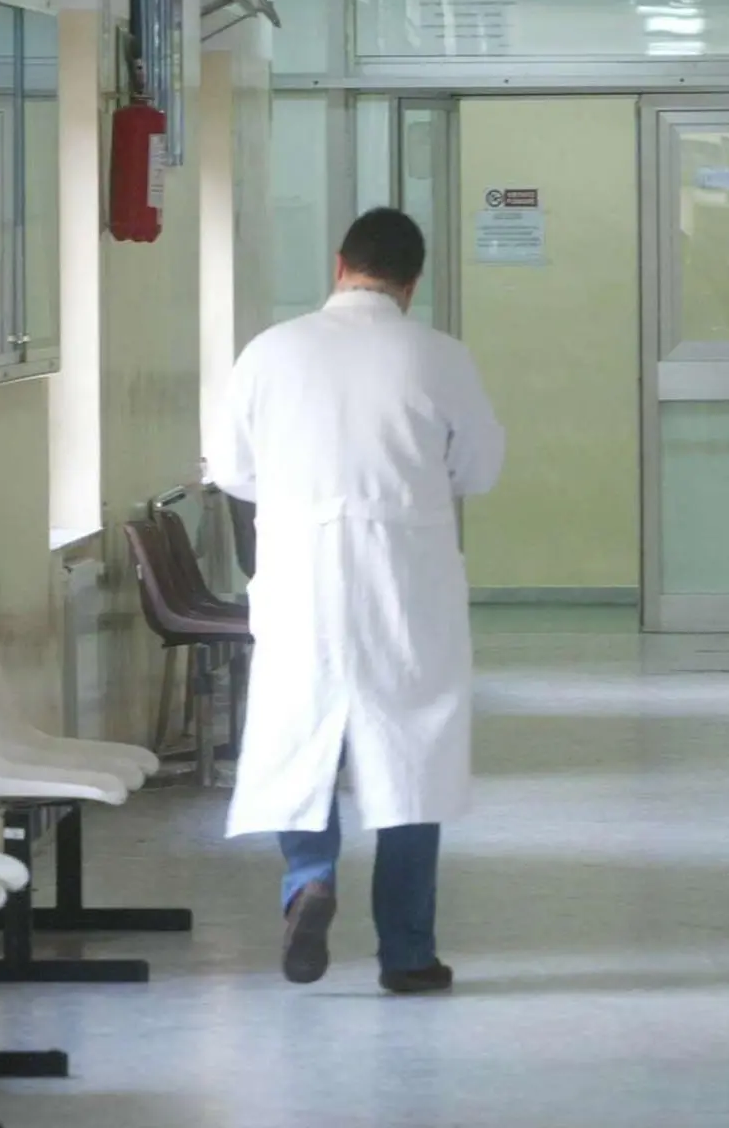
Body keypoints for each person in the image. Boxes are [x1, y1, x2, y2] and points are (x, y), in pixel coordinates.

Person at [208, 207, 505, 995]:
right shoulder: (438, 355)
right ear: (412, 282)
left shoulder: (271, 350)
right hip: (404, 573)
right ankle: (407, 954)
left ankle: (308, 882)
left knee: (298, 734)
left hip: (300, 571)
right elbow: (478, 468)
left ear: (340, 264)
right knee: (412, 750)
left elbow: (231, 468)